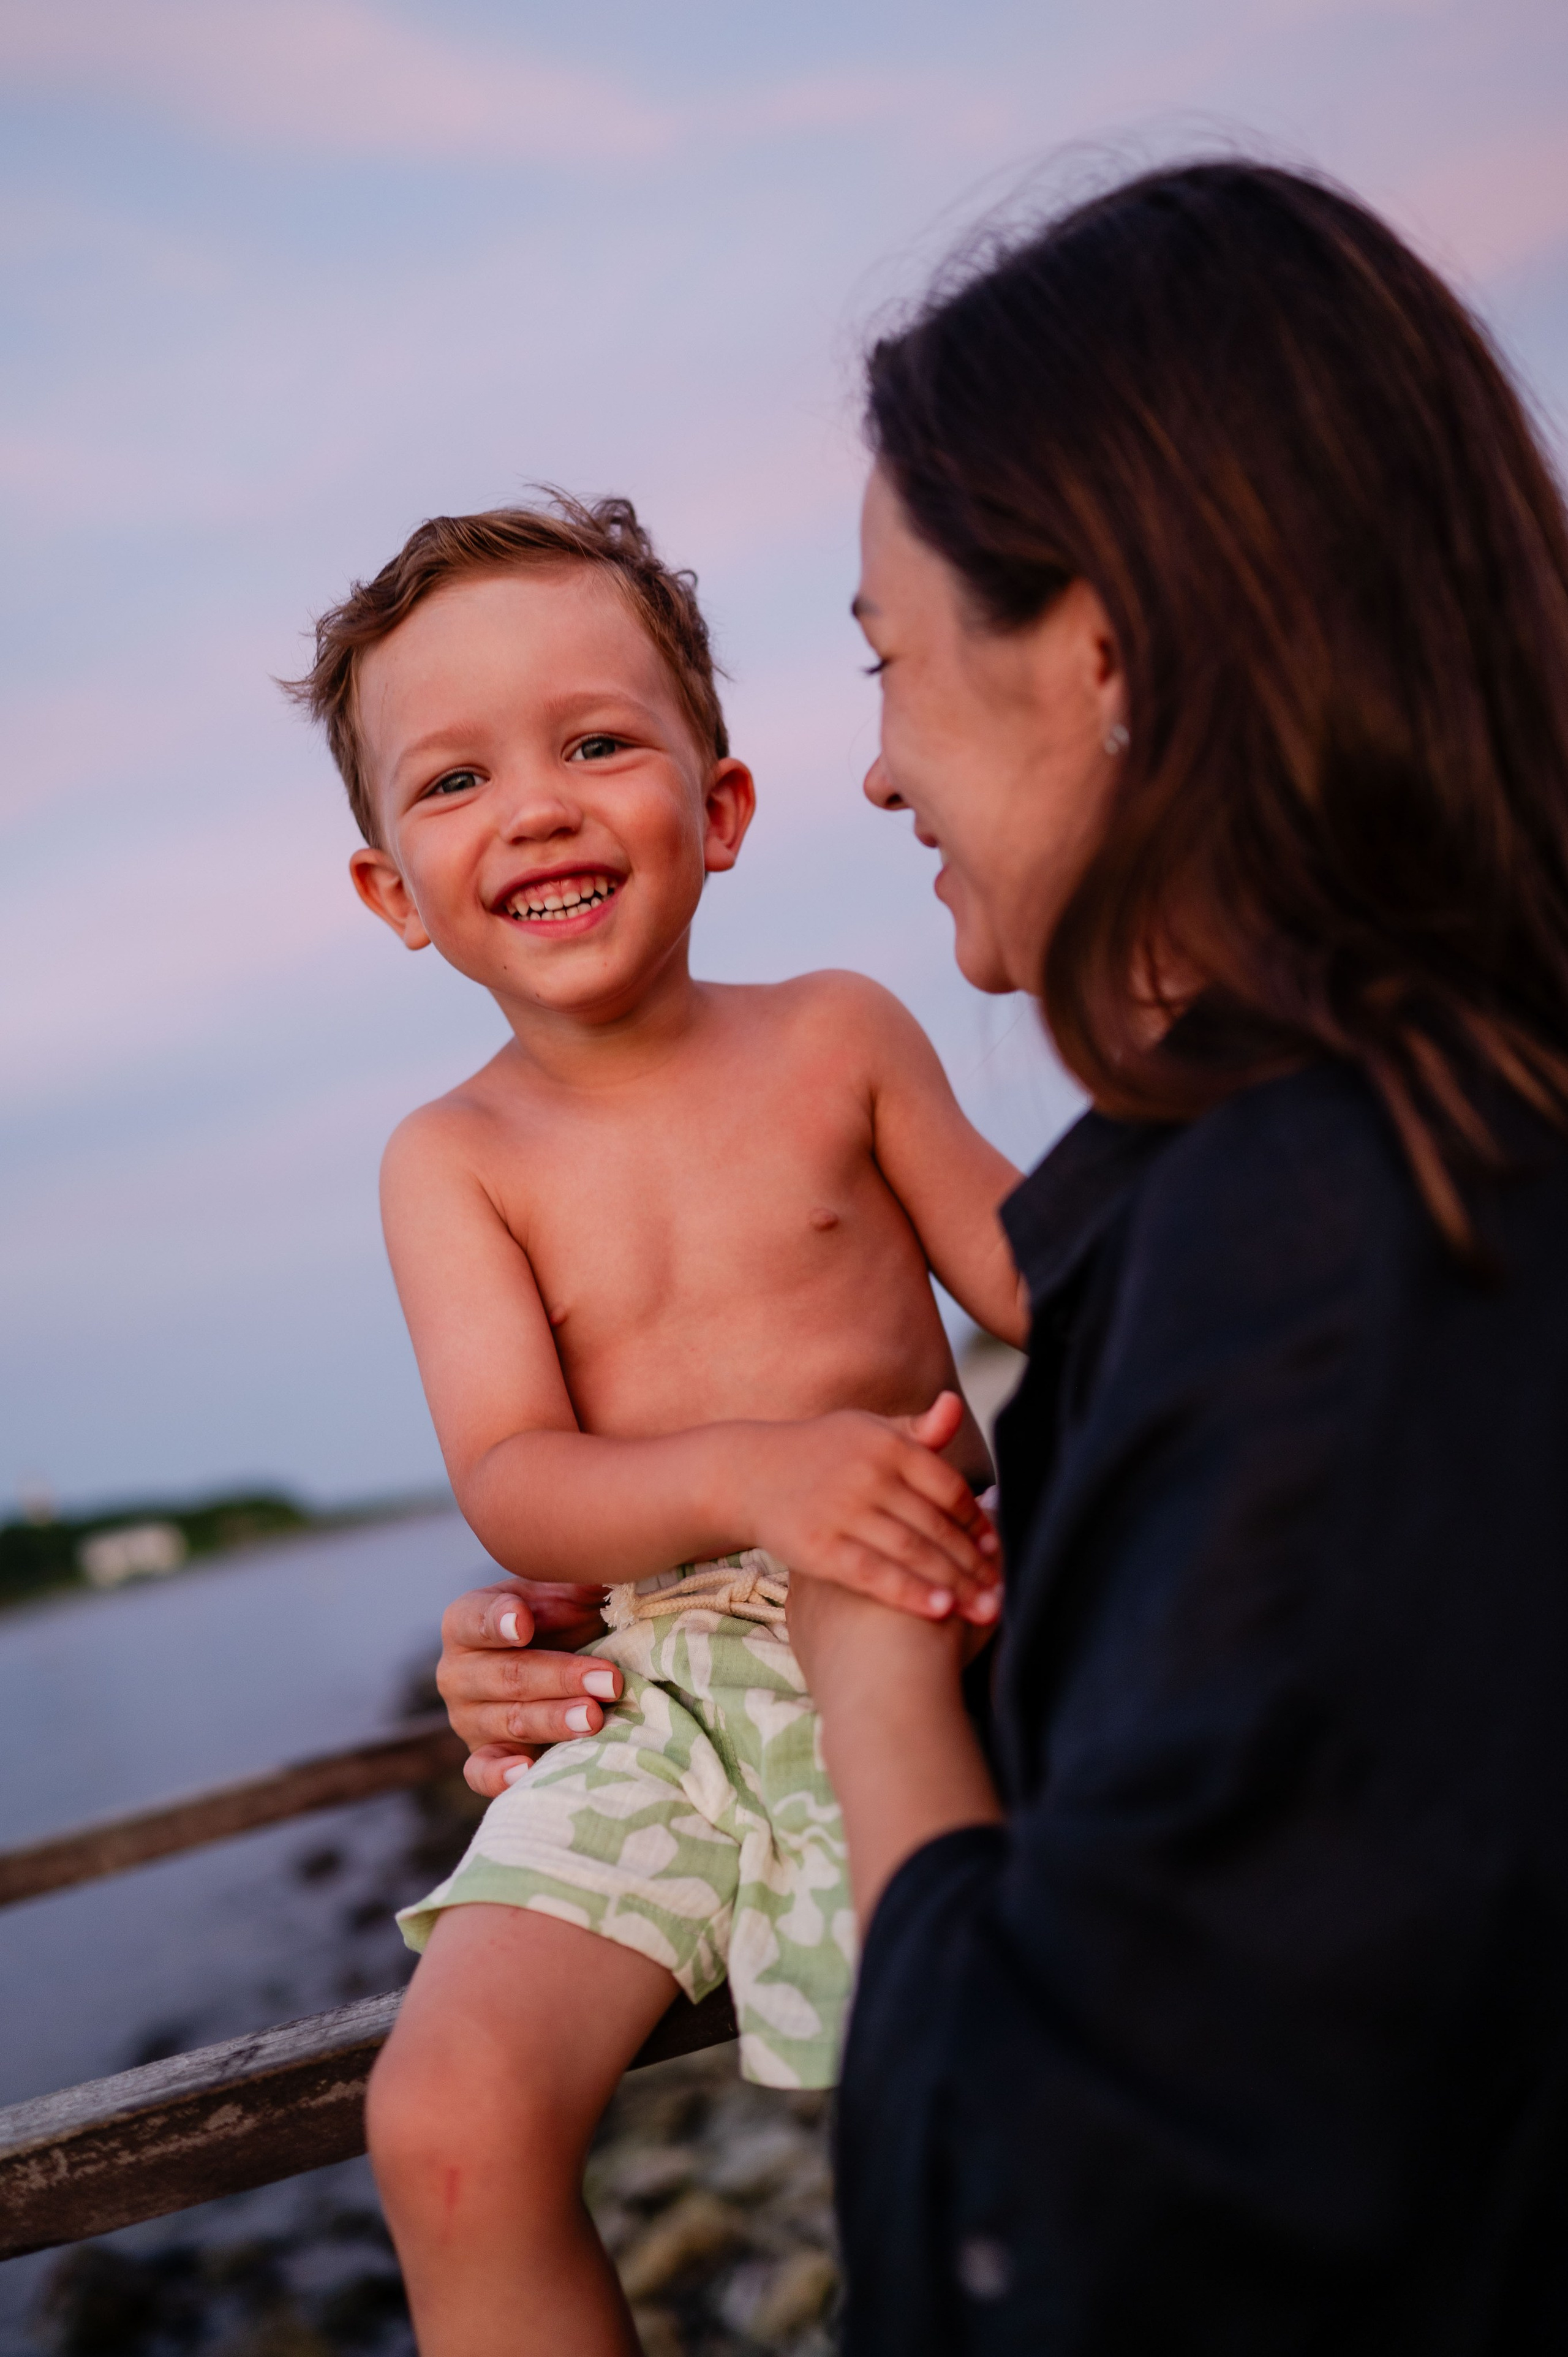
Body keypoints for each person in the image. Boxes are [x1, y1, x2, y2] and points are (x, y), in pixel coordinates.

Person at [789, 161, 1568, 2351]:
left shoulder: (1326, 1251)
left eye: (893, 662)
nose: (875, 769)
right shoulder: (1442, 1156)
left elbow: (1064, 2238)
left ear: (1105, 649)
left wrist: (873, 1698)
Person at [285, 495, 1027, 2356]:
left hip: (908, 1634)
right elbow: (518, 1475)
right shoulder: (455, 1160)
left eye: (598, 743)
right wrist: (743, 1472)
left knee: (952, 2084)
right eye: (452, 782)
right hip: (655, 1696)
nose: (535, 805)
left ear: (720, 808)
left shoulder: (842, 1038)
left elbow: (1050, 1283)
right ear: (389, 892)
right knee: (446, 2121)